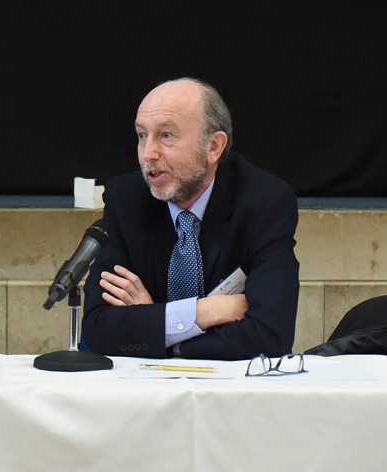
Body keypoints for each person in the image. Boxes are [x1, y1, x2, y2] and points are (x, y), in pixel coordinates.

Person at [82, 78, 299, 360]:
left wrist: (155, 327)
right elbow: (98, 329)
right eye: (142, 135)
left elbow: (270, 336)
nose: (148, 154)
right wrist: (203, 312)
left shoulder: (263, 202)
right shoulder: (126, 199)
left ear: (213, 146)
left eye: (166, 135)